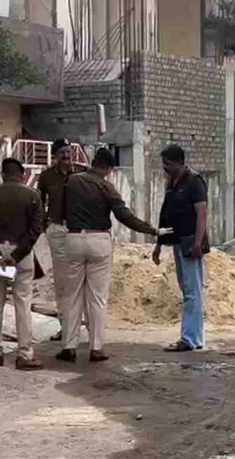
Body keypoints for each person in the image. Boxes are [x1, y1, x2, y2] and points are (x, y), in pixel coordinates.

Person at [57, 148, 160, 363]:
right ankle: (96, 348)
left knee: (72, 295)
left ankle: (68, 346)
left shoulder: (72, 181)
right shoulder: (106, 187)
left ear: (93, 162)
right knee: (97, 297)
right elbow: (124, 216)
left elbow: (59, 209)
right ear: (108, 168)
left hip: (73, 238)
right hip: (99, 241)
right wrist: (152, 230)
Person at [0, 158, 45, 371]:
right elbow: (35, 230)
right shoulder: (33, 196)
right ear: (22, 175)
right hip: (22, 255)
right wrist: (16, 255)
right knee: (23, 303)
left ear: (3, 174)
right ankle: (24, 354)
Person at [153, 145, 210, 352]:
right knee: (187, 290)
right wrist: (159, 244)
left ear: (178, 163)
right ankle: (195, 338)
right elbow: (165, 213)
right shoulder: (172, 182)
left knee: (192, 292)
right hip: (177, 241)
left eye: (167, 163)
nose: (165, 167)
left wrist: (198, 243)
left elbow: (201, 214)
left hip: (190, 243)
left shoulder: (194, 182)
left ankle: (189, 339)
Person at [37, 137, 85, 341]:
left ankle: (82, 325)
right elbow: (39, 202)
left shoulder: (81, 174)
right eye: (62, 152)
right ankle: (65, 326)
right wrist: (44, 225)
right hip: (57, 230)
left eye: (68, 152)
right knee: (61, 280)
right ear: (55, 155)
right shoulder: (47, 176)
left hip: (78, 231)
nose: (66, 156)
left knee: (80, 279)